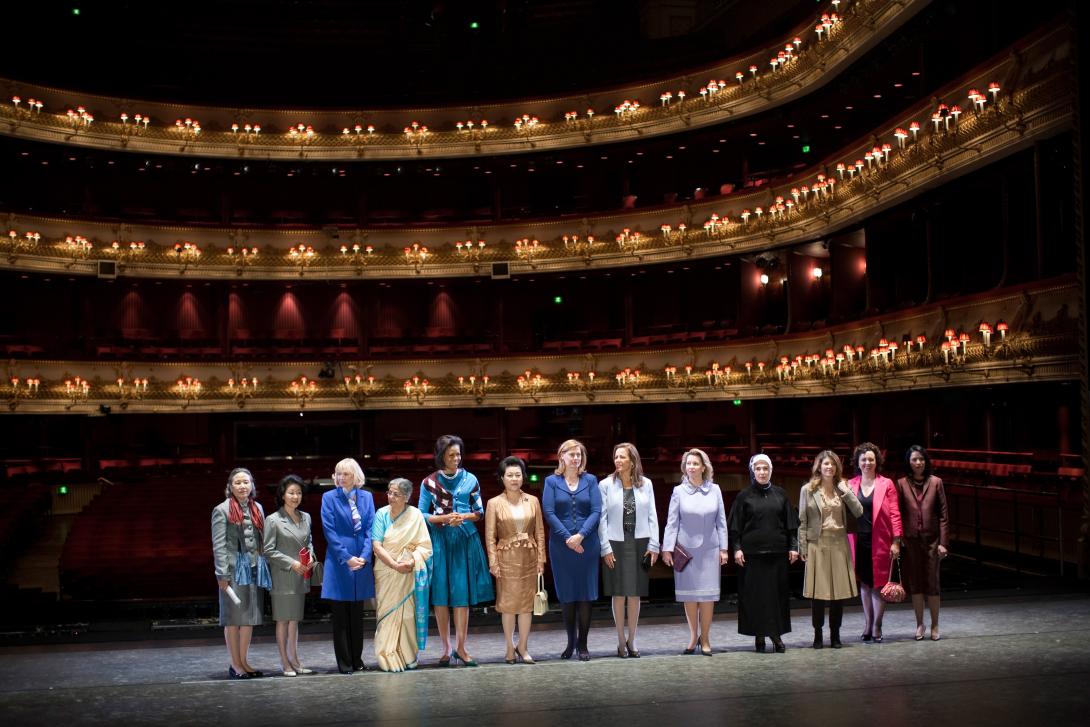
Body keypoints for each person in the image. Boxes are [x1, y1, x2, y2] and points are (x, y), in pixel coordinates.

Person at [419, 434, 493, 667]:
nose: (456, 458)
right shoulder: (428, 482)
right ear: (441, 456)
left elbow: (479, 512)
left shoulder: (471, 479)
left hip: (464, 539)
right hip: (440, 540)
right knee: (440, 596)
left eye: (458, 454)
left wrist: (463, 517)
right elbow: (420, 514)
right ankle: (446, 648)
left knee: (461, 595)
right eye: (451, 455)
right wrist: (442, 518)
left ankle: (461, 647)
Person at [728, 454, 799, 653]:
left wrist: (793, 546)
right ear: (753, 471)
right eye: (758, 468)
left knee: (777, 597)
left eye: (765, 468)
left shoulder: (781, 494)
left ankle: (776, 636)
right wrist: (737, 548)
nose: (762, 472)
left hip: (777, 554)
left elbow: (791, 524)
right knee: (755, 597)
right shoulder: (744, 496)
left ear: (770, 471)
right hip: (752, 556)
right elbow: (735, 527)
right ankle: (759, 636)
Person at [661, 448, 728, 656]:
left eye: (695, 463)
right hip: (686, 550)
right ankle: (692, 637)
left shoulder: (715, 490)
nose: (691, 467)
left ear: (703, 467)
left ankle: (705, 638)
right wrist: (667, 549)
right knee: (690, 598)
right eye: (688, 463)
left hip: (710, 549)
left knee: (707, 598)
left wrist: (724, 549)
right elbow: (672, 523)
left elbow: (721, 522)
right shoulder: (678, 491)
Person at [598, 443, 660, 658]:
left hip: (640, 542)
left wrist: (654, 545)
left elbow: (652, 515)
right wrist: (604, 547)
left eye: (622, 457)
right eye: (616, 457)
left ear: (633, 461)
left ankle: (632, 640)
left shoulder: (647, 484)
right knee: (618, 593)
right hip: (615, 543)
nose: (618, 460)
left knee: (635, 594)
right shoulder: (605, 484)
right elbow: (601, 519)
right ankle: (620, 641)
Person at [542, 438, 602, 661]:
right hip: (561, 546)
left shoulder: (591, 480)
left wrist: (581, 536)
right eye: (571, 454)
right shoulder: (551, 481)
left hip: (587, 545)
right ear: (562, 457)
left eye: (579, 455)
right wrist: (568, 538)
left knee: (585, 595)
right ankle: (569, 643)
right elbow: (549, 513)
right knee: (567, 596)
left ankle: (583, 645)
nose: (575, 458)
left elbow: (596, 511)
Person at [798, 451, 863, 649]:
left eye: (833, 464)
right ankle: (818, 634)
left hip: (839, 543)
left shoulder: (843, 487)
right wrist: (803, 546)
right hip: (817, 543)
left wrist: (845, 490)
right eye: (826, 464)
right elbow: (802, 520)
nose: (829, 467)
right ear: (819, 466)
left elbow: (859, 511)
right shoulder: (807, 489)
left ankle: (835, 635)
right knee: (819, 594)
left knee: (838, 594)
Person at [485, 456, 546, 664]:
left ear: (523, 477)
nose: (514, 479)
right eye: (509, 475)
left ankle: (523, 646)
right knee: (508, 605)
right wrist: (493, 562)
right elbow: (490, 536)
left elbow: (539, 532)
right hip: (506, 560)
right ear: (502, 478)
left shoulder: (533, 500)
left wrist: (541, 560)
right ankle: (510, 648)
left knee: (526, 605)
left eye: (517, 475)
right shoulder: (494, 503)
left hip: (529, 558)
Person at [212, 467, 271, 679]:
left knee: (249, 618)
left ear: (252, 485)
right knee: (233, 619)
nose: (242, 486)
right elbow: (218, 546)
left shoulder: (258, 508)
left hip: (254, 568)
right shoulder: (221, 510)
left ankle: (244, 661)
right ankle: (235, 664)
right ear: (230, 486)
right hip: (233, 570)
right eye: (237, 482)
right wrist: (222, 575)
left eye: (246, 482)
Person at [371, 477, 433, 672]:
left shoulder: (415, 516)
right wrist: (394, 565)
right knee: (387, 615)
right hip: (387, 571)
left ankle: (407, 656)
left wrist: (412, 560)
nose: (391, 497)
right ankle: (386, 656)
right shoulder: (381, 514)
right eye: (389, 492)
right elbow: (376, 545)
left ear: (406, 497)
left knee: (407, 616)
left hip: (407, 572)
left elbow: (425, 547)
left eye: (396, 494)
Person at [321, 457, 375, 674]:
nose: (341, 478)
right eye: (338, 473)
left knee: (357, 616)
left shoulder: (367, 497)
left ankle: (357, 660)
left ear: (356, 477)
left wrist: (363, 556)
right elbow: (329, 531)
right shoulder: (329, 497)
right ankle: (345, 663)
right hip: (339, 562)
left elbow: (371, 528)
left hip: (361, 561)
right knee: (341, 617)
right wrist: (347, 557)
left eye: (346, 474)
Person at [847, 442, 903, 643]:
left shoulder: (886, 483)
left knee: (879, 585)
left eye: (871, 459)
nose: (867, 462)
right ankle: (867, 623)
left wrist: (896, 541)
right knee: (864, 584)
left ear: (876, 461)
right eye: (864, 459)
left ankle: (877, 625)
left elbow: (895, 514)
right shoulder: (850, 484)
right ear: (858, 462)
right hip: (857, 541)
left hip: (880, 541)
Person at [263, 474, 316, 676]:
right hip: (283, 575)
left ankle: (295, 661)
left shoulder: (306, 517)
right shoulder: (273, 520)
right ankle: (285, 662)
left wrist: (310, 556)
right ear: (283, 495)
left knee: (294, 620)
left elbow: (308, 542)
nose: (295, 496)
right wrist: (292, 562)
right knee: (283, 620)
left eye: (299, 493)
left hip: (301, 575)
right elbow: (268, 550)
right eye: (291, 493)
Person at [895, 445, 950, 641]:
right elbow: (897, 513)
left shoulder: (936, 483)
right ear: (908, 462)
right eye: (914, 459)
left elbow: (943, 515)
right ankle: (920, 624)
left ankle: (935, 625)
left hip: (933, 541)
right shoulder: (901, 484)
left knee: (933, 584)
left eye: (921, 459)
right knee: (915, 584)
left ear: (926, 461)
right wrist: (898, 537)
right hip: (910, 542)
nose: (918, 463)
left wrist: (943, 542)